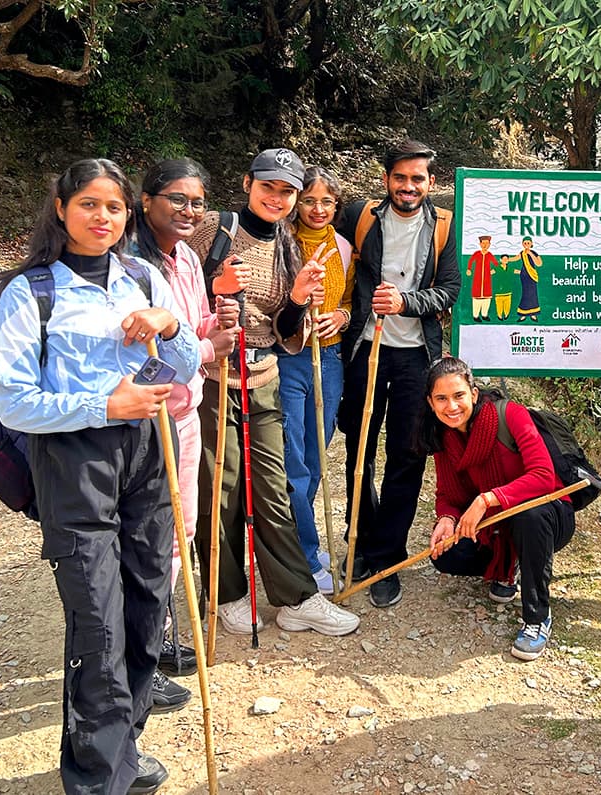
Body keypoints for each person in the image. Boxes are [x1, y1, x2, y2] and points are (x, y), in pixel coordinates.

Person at [0, 158, 202, 795]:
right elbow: (13, 401)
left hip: (144, 453)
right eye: (88, 204)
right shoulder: (29, 293)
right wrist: (104, 405)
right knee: (99, 621)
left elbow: (184, 364)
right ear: (61, 209)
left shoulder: (142, 276)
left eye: (112, 207)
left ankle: (122, 745)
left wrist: (171, 326)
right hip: (72, 458)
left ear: (126, 215)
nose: (102, 217)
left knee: (145, 606)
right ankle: (97, 777)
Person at [187, 148, 359, 637]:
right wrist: (215, 285)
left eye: (287, 191)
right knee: (220, 490)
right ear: (248, 184)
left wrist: (300, 297)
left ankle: (295, 596)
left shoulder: (287, 241)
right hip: (215, 376)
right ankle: (228, 593)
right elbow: (181, 293)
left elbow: (285, 331)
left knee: (274, 488)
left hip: (264, 376)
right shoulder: (215, 229)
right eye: (269, 187)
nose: (278, 198)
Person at [132, 157, 241, 708]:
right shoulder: (128, 266)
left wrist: (215, 326)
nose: (189, 211)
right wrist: (204, 350)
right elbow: (140, 359)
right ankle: (139, 661)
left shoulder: (188, 262)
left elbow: (194, 323)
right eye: (176, 198)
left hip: (186, 414)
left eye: (197, 202)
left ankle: (156, 641)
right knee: (151, 540)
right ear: (146, 199)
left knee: (181, 531)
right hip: (145, 423)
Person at [336, 139, 460, 608]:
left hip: (415, 358)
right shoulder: (361, 216)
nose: (409, 187)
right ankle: (360, 543)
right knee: (359, 450)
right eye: (401, 177)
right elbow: (324, 246)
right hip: (366, 349)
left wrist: (407, 302)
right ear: (386, 178)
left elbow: (450, 289)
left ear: (431, 182)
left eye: (418, 179)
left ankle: (387, 555)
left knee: (407, 457)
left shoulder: (444, 226)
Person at [418, 357, 574, 660]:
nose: (451, 406)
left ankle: (537, 617)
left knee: (528, 514)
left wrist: (487, 499)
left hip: (547, 514)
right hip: (497, 525)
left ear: (473, 394)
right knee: (446, 554)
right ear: (431, 402)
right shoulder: (445, 436)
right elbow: (447, 494)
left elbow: (543, 476)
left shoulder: (510, 415)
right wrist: (447, 518)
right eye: (441, 398)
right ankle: (510, 565)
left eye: (459, 395)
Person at [278, 166, 353, 594]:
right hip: (290, 359)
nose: (317, 209)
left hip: (331, 359)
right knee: (294, 463)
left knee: (316, 455)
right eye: (309, 200)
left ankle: (293, 541)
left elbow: (347, 302)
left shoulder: (343, 248)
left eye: (327, 201)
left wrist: (340, 315)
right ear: (296, 204)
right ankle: (304, 554)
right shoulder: (281, 245)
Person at [503, 236, 542, 322]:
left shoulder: (534, 253)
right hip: (524, 275)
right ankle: (523, 314)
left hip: (532, 276)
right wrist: (506, 259)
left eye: (528, 243)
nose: (526, 244)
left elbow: (539, 263)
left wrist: (530, 253)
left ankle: (533, 314)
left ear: (531, 244)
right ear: (522, 244)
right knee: (525, 294)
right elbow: (515, 258)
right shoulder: (522, 253)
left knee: (533, 294)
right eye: (525, 243)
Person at [466, 235, 496, 321]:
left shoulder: (489, 254)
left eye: (487, 243)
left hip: (487, 280)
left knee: (486, 299)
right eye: (483, 243)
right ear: (480, 244)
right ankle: (475, 316)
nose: (485, 245)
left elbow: (496, 264)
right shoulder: (477, 254)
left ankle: (484, 315)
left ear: (489, 244)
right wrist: (469, 269)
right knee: (476, 298)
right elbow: (471, 261)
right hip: (477, 279)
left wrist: (494, 270)